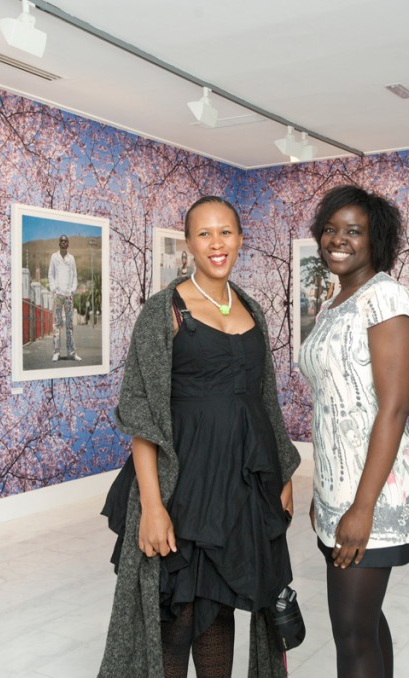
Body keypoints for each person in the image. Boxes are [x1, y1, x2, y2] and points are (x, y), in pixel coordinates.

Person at [99, 196, 300, 678]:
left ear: (240, 239)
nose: (217, 244)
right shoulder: (163, 310)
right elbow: (142, 414)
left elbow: (266, 399)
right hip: (183, 485)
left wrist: (285, 471)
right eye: (205, 234)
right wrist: (152, 505)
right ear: (188, 243)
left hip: (238, 486)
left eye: (226, 232)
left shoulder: (252, 308)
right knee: (177, 614)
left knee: (220, 606)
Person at [298, 185, 409, 678]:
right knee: (365, 623)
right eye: (330, 229)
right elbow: (332, 405)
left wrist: (362, 506)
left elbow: (394, 410)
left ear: (377, 240)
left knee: (351, 633)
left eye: (354, 230)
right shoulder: (336, 301)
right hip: (339, 485)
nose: (338, 239)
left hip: (373, 489)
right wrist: (323, 488)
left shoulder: (385, 296)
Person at [49, 235, 82, 361]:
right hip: (58, 295)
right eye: (61, 241)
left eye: (65, 241)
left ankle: (72, 353)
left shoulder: (71, 258)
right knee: (56, 324)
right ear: (59, 243)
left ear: (68, 244)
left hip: (68, 296)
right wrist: (54, 290)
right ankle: (56, 352)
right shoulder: (54, 257)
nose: (63, 243)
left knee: (69, 325)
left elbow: (74, 275)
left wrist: (72, 290)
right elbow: (50, 274)